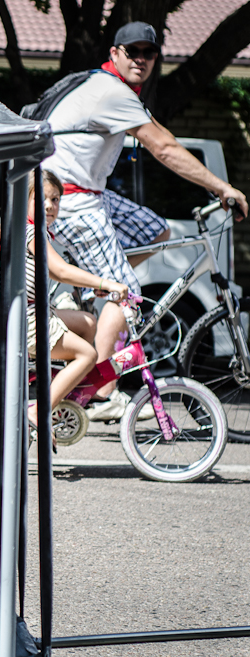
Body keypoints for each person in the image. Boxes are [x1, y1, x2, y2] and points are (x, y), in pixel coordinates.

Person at [42, 21, 248, 421]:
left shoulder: (110, 88)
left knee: (155, 230)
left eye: (148, 53)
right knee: (127, 295)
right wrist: (222, 188)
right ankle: (99, 390)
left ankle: (92, 294)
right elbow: (164, 147)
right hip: (69, 200)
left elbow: (160, 137)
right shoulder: (112, 92)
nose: (140, 59)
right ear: (115, 53)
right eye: (132, 51)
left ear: (156, 58)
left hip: (87, 193)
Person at [0, 171, 129, 443]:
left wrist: (95, 285)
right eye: (41, 199)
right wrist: (106, 282)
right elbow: (61, 271)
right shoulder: (29, 231)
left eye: (55, 199)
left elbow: (50, 272)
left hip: (25, 311)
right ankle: (40, 411)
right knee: (87, 355)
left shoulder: (26, 228)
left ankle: (67, 389)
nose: (50, 205)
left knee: (87, 322)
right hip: (23, 319)